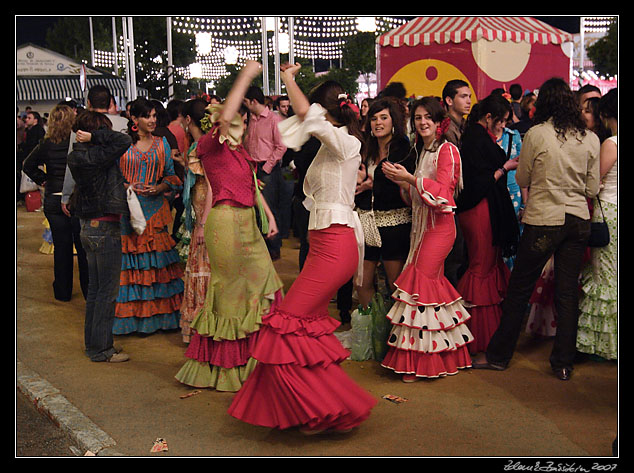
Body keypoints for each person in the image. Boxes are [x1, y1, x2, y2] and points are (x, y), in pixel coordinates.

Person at [228, 64, 377, 434]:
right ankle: (315, 407)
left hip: (337, 246)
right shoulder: (333, 147)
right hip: (323, 244)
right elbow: (302, 123)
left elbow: (304, 116)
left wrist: (289, 78)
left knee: (285, 327)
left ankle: (317, 407)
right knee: (298, 330)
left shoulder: (348, 143)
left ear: (324, 112)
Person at [472, 78, 601, 380]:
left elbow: (525, 177)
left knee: (520, 290)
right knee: (567, 293)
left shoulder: (537, 134)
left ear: (544, 104)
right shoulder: (590, 138)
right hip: (578, 220)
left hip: (544, 218)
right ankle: (563, 363)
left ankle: (499, 356)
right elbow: (592, 187)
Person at [174, 61, 284, 392]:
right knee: (232, 295)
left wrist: (270, 216)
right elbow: (225, 116)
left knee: (262, 287)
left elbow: (250, 187)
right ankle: (228, 368)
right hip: (226, 223)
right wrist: (247, 75)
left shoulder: (239, 153)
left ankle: (253, 361)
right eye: (237, 117)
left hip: (246, 222)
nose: (242, 121)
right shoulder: (210, 145)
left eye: (243, 118)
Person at [379, 96, 474, 381]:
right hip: (421, 228)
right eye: (417, 118)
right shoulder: (423, 151)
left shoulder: (447, 151)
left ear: (439, 122)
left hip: (440, 230)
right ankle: (440, 356)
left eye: (427, 118)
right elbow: (416, 199)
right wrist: (403, 182)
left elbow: (444, 194)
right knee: (429, 290)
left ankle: (420, 361)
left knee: (419, 285)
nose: (422, 123)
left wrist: (410, 179)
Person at [456, 93, 520, 354]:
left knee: (487, 263)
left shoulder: (477, 135)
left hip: (485, 206)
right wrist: (504, 167)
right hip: (478, 207)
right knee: (481, 266)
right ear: (489, 117)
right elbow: (477, 181)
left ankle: (486, 333)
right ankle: (477, 336)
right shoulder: (474, 138)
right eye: (501, 121)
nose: (503, 127)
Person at [66, 110, 133, 363]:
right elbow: (123, 141)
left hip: (88, 227)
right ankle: (101, 350)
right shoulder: (95, 155)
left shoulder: (78, 155)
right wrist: (95, 135)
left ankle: (94, 345)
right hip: (105, 228)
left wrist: (92, 136)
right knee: (106, 292)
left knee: (95, 291)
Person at [115, 97, 184, 335]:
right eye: (147, 116)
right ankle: (131, 321)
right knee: (131, 263)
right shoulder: (122, 143)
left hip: (156, 211)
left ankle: (159, 320)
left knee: (157, 265)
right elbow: (113, 177)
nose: (152, 121)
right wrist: (126, 186)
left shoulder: (162, 143)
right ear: (134, 119)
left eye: (155, 116)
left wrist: (160, 188)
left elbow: (172, 176)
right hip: (129, 210)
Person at [22, 104, 89, 302]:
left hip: (53, 197)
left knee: (61, 247)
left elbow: (27, 165)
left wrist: (43, 179)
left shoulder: (46, 143)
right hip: (76, 198)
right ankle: (87, 291)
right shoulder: (78, 142)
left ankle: (62, 292)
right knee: (82, 247)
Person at [355, 97, 415, 311]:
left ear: (393, 121)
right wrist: (363, 183)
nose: (378, 123)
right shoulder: (367, 149)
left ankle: (397, 335)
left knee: (395, 285)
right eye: (373, 118)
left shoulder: (403, 149)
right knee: (361, 283)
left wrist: (373, 184)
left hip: (395, 224)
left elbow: (403, 184)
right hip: (367, 223)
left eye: (383, 118)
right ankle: (374, 331)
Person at [577, 88, 618, 361]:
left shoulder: (611, 143)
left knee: (603, 276)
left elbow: (593, 183)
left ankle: (601, 344)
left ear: (605, 114)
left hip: (607, 213)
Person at [176, 98, 211, 344]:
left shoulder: (202, 146)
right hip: (200, 212)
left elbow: (210, 185)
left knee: (203, 266)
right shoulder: (204, 145)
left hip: (203, 215)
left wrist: (201, 223)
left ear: (188, 120)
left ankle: (202, 326)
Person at [243, 85, 287, 260]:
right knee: (255, 208)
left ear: (253, 101)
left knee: (269, 207)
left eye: (246, 101)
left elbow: (281, 146)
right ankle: (262, 245)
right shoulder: (250, 119)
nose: (245, 105)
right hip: (251, 167)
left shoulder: (273, 119)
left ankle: (274, 247)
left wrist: (267, 167)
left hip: (266, 167)